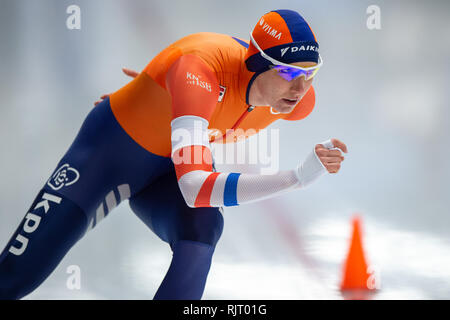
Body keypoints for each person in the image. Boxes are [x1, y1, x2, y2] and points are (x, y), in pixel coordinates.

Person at [0, 9, 347, 300]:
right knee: (16, 277)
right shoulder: (202, 72)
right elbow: (196, 189)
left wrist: (161, 93)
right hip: (108, 155)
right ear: (257, 64)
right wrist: (297, 178)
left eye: (310, 74)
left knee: (203, 229)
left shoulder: (294, 102)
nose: (300, 89)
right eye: (288, 72)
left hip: (170, 168)